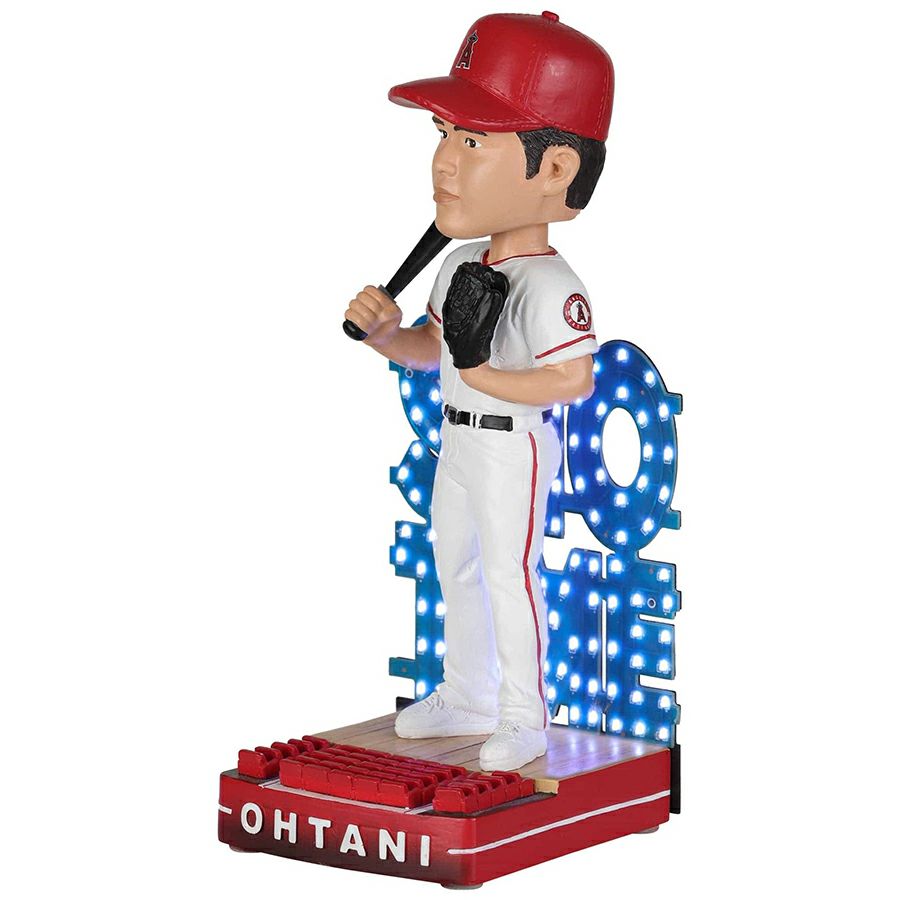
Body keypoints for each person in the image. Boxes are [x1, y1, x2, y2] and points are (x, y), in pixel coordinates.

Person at [344, 11, 614, 770]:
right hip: (458, 439)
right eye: (444, 133)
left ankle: (524, 716)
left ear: (555, 168)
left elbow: (574, 378)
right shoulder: (459, 261)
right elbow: (430, 351)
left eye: (473, 142)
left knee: (510, 575)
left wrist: (484, 375)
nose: (444, 162)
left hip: (511, 446)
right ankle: (467, 694)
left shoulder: (553, 284)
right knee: (453, 564)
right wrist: (387, 336)